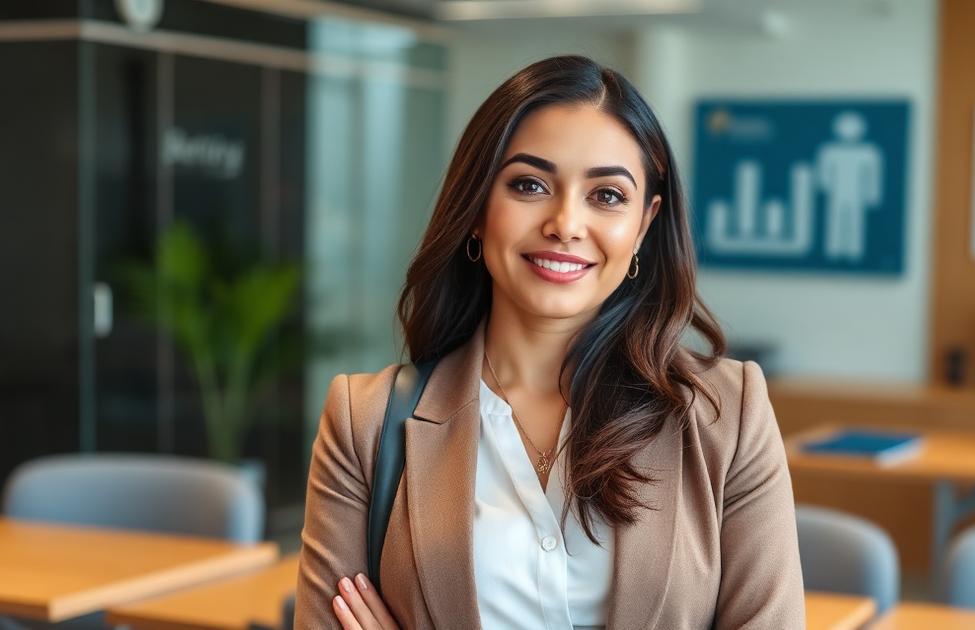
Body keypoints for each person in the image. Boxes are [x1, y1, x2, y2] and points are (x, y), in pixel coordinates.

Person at [294, 54, 805, 629]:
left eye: (607, 195)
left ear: (644, 224)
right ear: (476, 208)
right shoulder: (364, 422)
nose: (565, 223)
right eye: (529, 185)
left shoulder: (726, 414)